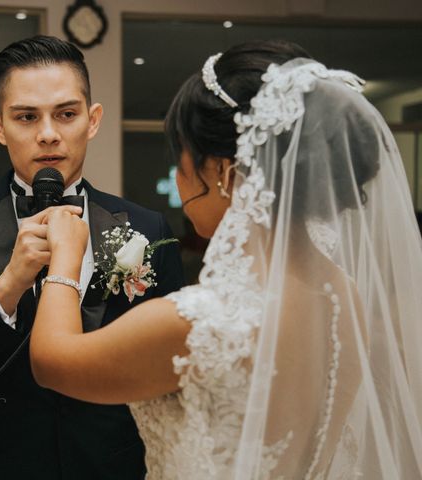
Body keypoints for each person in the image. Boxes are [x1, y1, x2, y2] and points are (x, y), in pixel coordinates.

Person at [30, 40, 422, 479]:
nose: (178, 184)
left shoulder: (198, 322)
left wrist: (65, 257)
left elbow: (51, 362)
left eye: (180, 161)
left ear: (222, 171)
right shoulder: (343, 295)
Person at [0, 35, 184, 479]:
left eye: (66, 114)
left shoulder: (146, 229)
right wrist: (7, 287)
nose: (48, 133)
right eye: (26, 117)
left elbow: (174, 373)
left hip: (112, 467)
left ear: (92, 119)